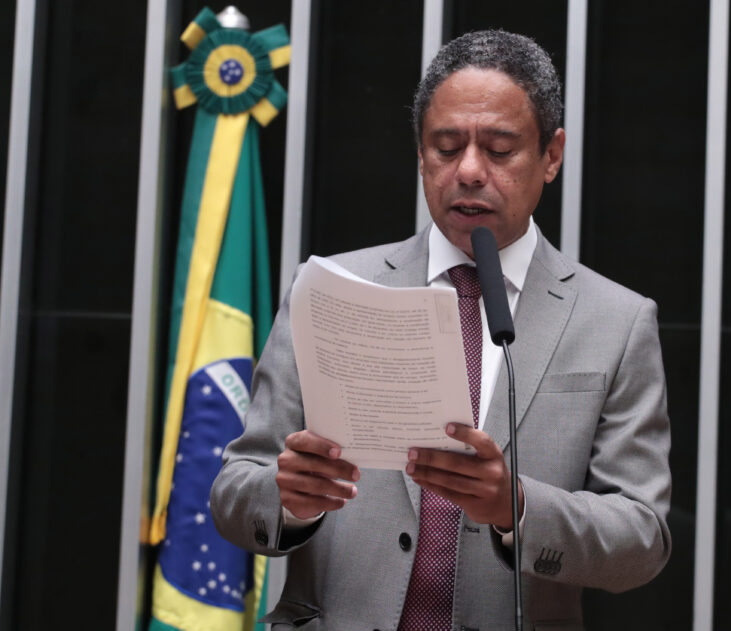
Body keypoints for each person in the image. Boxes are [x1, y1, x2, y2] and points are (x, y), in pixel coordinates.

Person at [211, 30, 671, 630]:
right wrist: (290, 500)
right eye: (446, 147)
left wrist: (517, 507)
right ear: (420, 153)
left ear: (551, 155)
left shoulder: (616, 320)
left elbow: (642, 540)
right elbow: (234, 493)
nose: (469, 171)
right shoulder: (328, 290)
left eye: (500, 150)